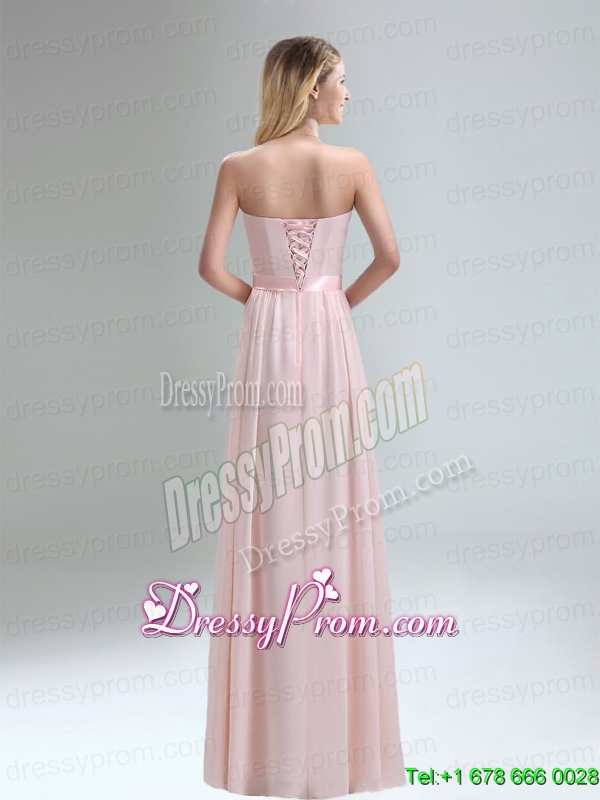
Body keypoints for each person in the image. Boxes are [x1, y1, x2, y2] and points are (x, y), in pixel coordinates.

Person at [199, 36, 407, 799]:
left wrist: (264, 301)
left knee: (268, 506)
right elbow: (389, 256)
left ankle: (269, 752)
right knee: (336, 508)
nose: (348, 94)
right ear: (312, 86)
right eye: (341, 81)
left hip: (268, 339)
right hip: (329, 336)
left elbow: (210, 267)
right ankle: (334, 753)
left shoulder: (238, 167)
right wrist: (331, 305)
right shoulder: (351, 166)